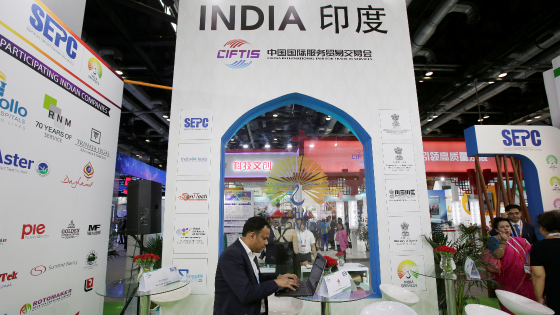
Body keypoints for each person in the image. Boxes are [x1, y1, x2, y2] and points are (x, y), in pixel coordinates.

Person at [214, 216, 299, 315]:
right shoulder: (232, 255)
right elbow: (246, 293)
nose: (267, 243)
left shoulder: (249, 254)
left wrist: (278, 277)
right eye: (264, 238)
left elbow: (257, 280)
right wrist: (276, 283)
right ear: (252, 236)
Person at [487, 217, 536, 314]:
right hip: (505, 277)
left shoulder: (520, 241)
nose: (506, 229)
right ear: (496, 230)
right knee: (508, 301)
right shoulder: (492, 240)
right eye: (502, 227)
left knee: (527, 301)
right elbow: (498, 255)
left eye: (507, 226)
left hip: (524, 276)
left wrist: (532, 270)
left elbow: (530, 255)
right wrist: (503, 241)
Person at [531, 210, 560, 313]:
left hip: (554, 292)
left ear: (542, 228)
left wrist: (539, 297)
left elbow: (538, 275)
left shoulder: (538, 247)